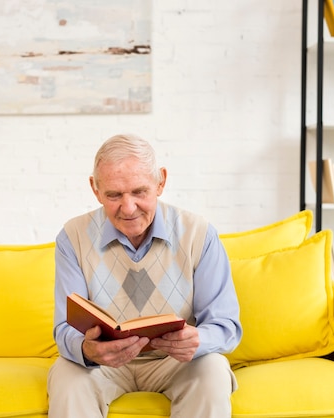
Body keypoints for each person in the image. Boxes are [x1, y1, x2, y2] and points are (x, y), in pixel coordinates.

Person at [47, 133, 242, 418]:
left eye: (139, 192)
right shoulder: (72, 237)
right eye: (114, 195)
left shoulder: (199, 233)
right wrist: (87, 350)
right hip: (105, 364)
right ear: (95, 188)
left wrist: (197, 339)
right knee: (65, 374)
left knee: (213, 369)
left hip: (176, 362)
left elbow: (226, 325)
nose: (128, 208)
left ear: (160, 182)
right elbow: (64, 328)